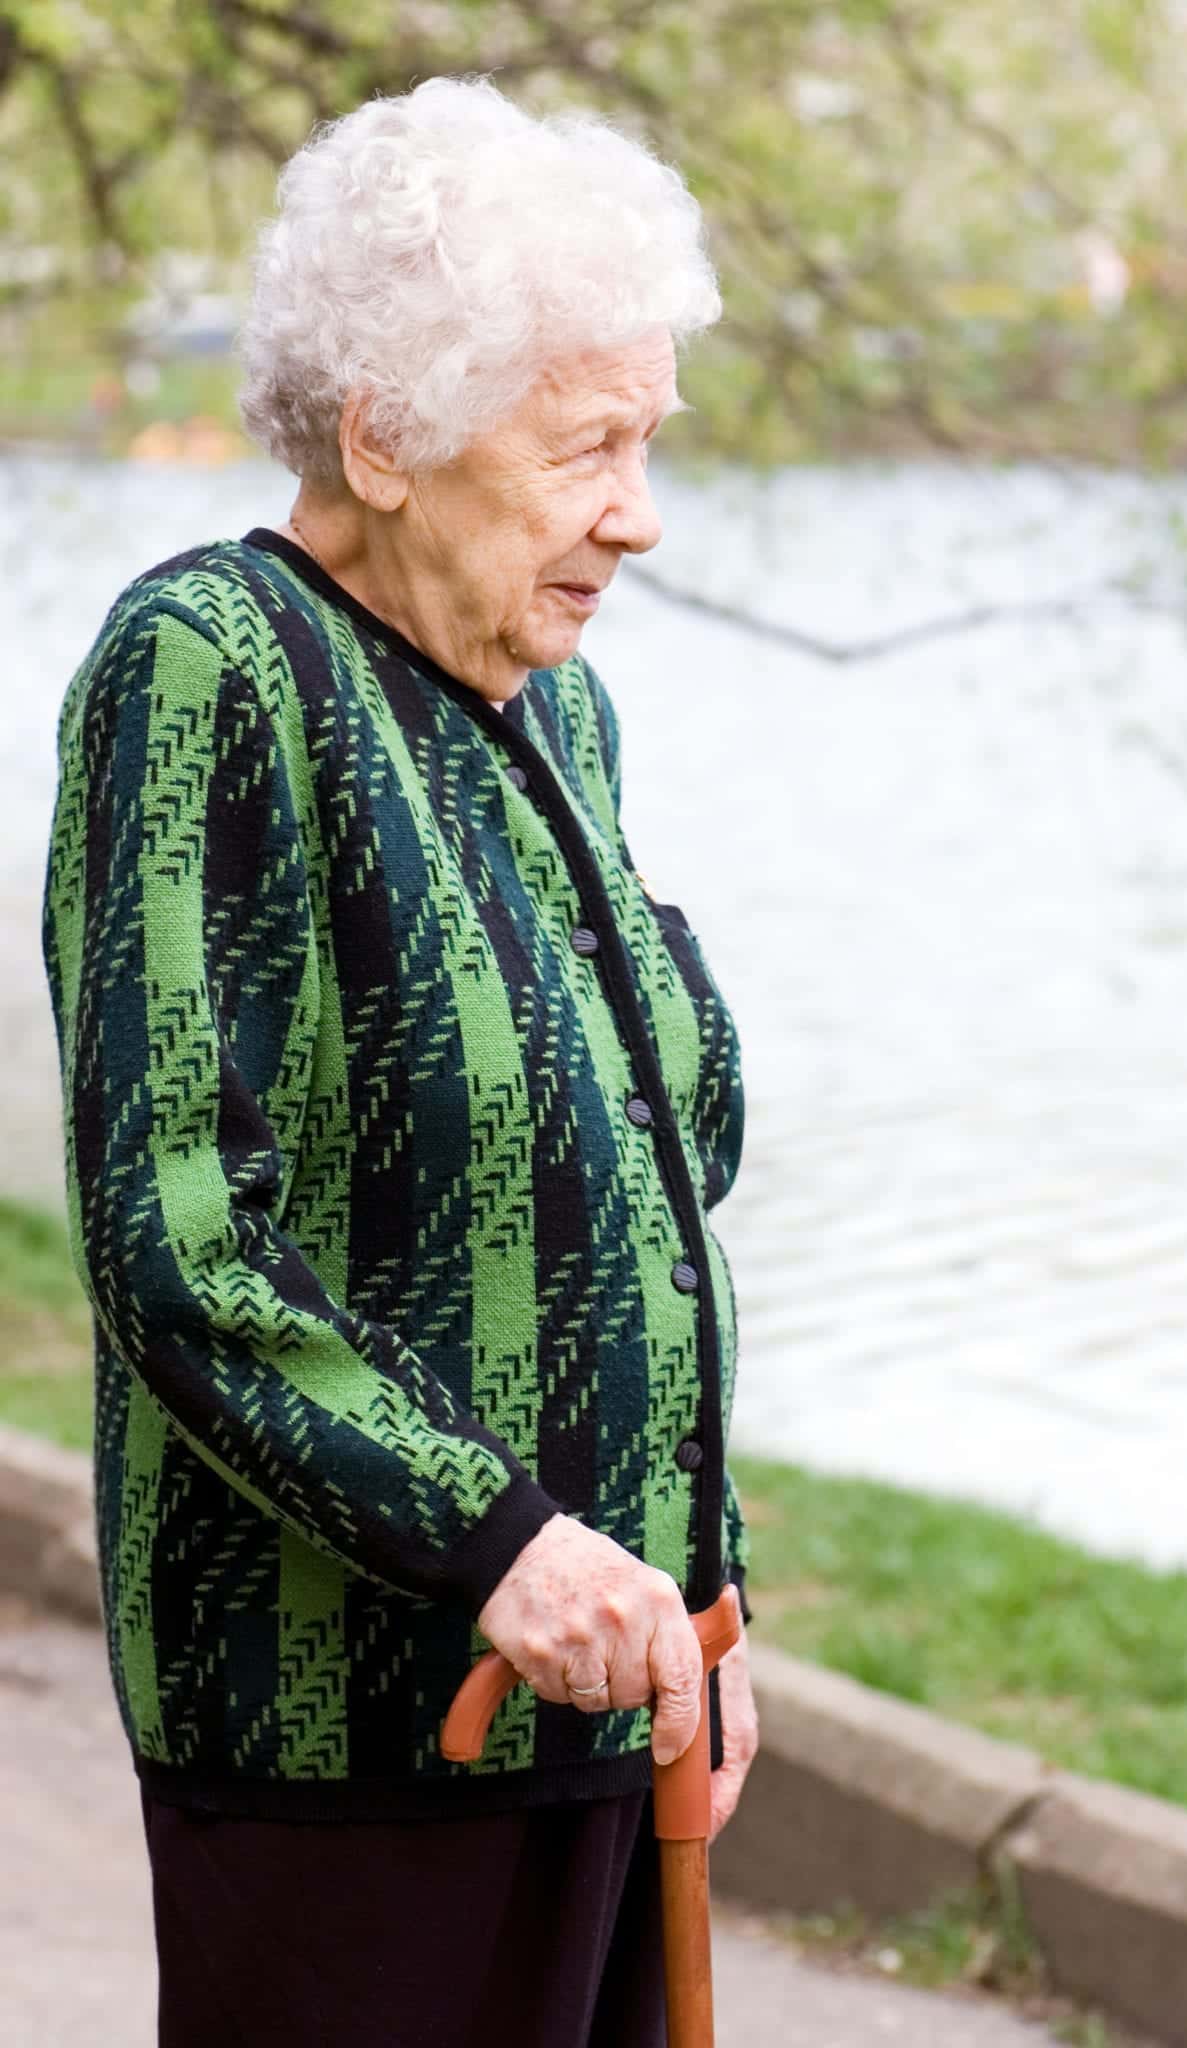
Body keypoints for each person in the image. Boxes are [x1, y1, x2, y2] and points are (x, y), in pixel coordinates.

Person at [41, 72, 757, 2047]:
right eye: (587, 443)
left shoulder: (556, 706)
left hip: (602, 1711)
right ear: (388, 434)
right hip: (343, 1728)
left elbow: (651, 1176)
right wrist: (501, 1534)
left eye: (647, 437)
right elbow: (175, 1226)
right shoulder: (214, 670)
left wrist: (705, 1592)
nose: (641, 506)